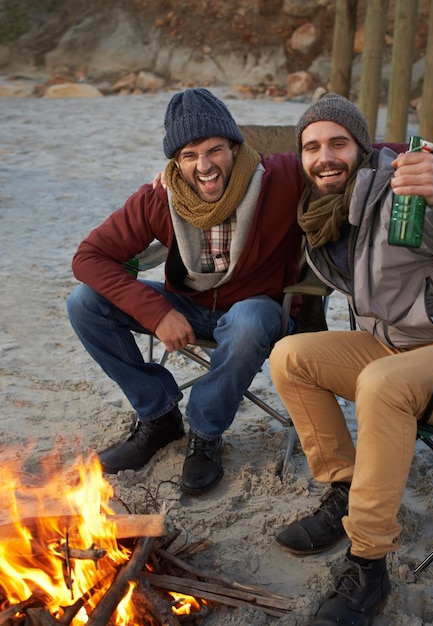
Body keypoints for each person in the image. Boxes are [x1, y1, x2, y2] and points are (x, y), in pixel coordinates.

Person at [269, 93, 433, 625]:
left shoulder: (404, 187)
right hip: (393, 345)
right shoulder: (323, 212)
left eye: (338, 143)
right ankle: (345, 490)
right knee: (290, 355)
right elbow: (255, 163)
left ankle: (368, 562)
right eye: (312, 147)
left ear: (361, 146)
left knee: (380, 383)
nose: (324, 156)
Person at [66, 87, 305, 494]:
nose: (204, 166)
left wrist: (423, 157)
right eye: (189, 156)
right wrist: (156, 313)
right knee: (84, 303)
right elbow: (88, 257)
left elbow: (349, 153)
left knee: (247, 321)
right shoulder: (162, 196)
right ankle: (159, 416)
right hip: (187, 306)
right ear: (175, 161)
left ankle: (206, 433)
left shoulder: (281, 177)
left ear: (234, 146)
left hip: (258, 309)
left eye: (214, 151)